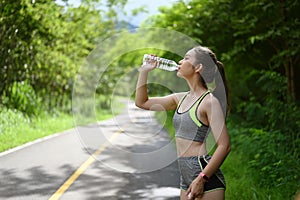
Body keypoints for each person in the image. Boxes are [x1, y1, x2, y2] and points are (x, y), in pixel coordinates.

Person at [135, 46, 231, 200]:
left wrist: (202, 178)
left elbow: (224, 145)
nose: (180, 61)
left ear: (198, 67)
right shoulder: (180, 98)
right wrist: (144, 72)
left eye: (186, 58)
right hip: (185, 177)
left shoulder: (209, 102)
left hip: (204, 176)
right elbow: (142, 102)